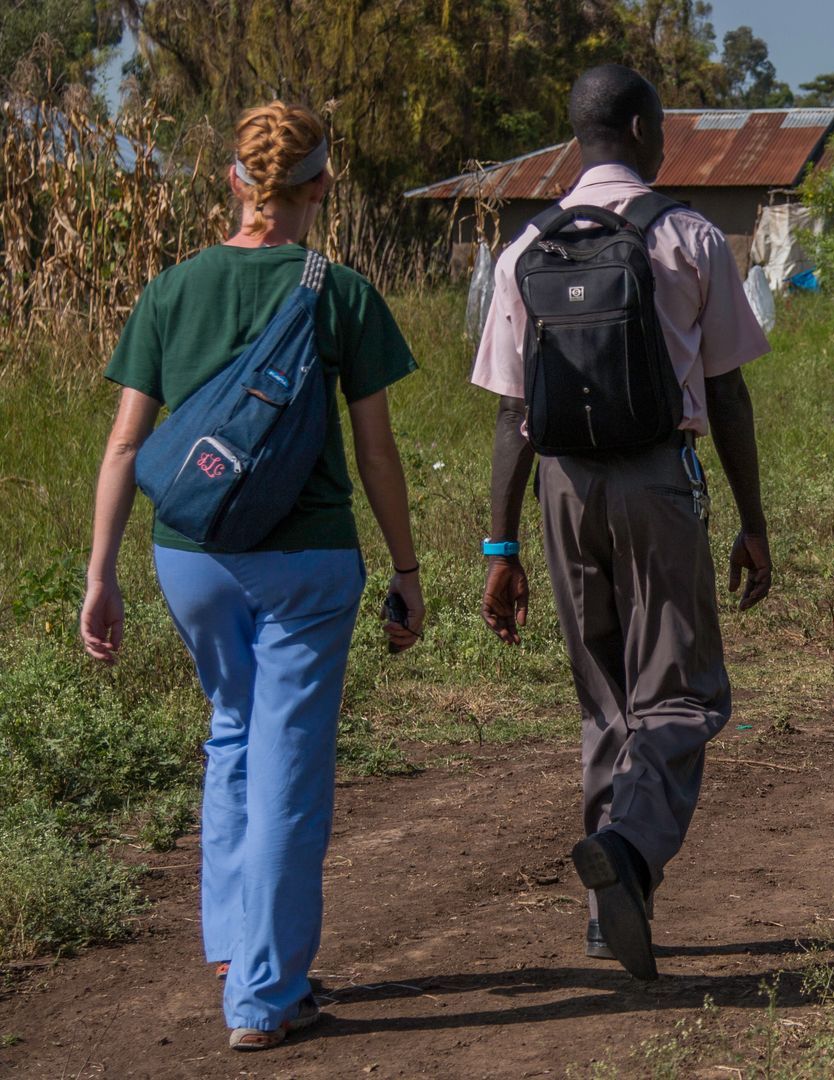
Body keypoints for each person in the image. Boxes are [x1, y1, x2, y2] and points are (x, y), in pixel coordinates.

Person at [80, 101, 425, 1052]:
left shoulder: (172, 291)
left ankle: (235, 948)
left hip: (189, 559)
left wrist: (100, 574)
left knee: (231, 735)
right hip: (306, 565)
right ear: (320, 186)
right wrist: (405, 567)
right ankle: (266, 998)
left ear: (235, 182)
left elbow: (123, 444)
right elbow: (378, 454)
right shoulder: (343, 295)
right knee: (289, 772)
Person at [472, 65, 772, 981]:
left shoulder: (527, 248)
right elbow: (725, 394)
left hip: (561, 490)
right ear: (642, 128)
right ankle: (633, 851)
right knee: (681, 694)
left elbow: (510, 412)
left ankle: (611, 917)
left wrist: (501, 544)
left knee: (604, 694)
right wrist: (753, 520)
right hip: (657, 482)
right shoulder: (687, 237)